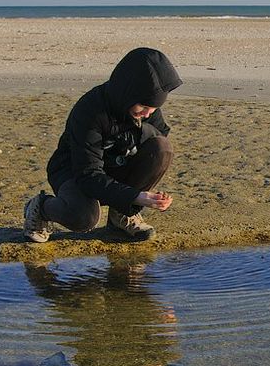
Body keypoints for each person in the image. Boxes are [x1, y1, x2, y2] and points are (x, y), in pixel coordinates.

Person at [23, 47, 181, 242]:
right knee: (84, 219)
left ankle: (121, 216)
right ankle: (41, 207)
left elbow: (157, 142)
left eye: (153, 108)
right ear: (129, 92)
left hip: (116, 164)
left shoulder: (146, 109)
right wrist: (135, 196)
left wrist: (134, 197)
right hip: (75, 171)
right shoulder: (90, 111)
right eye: (144, 107)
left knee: (162, 148)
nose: (148, 113)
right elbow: (88, 174)